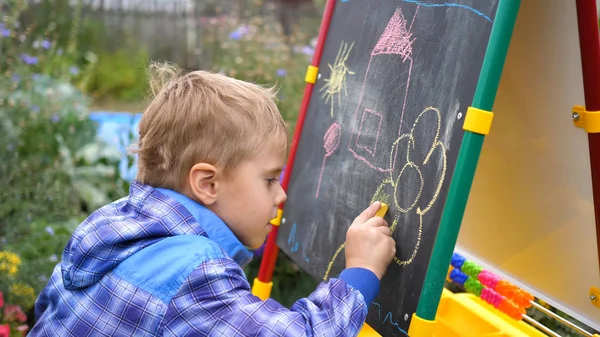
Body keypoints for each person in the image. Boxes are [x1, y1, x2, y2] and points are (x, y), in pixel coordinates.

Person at [29, 62, 396, 336]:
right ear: (208, 184)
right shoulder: (195, 275)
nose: (281, 194)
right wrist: (361, 270)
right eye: (269, 179)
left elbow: (46, 309)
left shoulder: (107, 223)